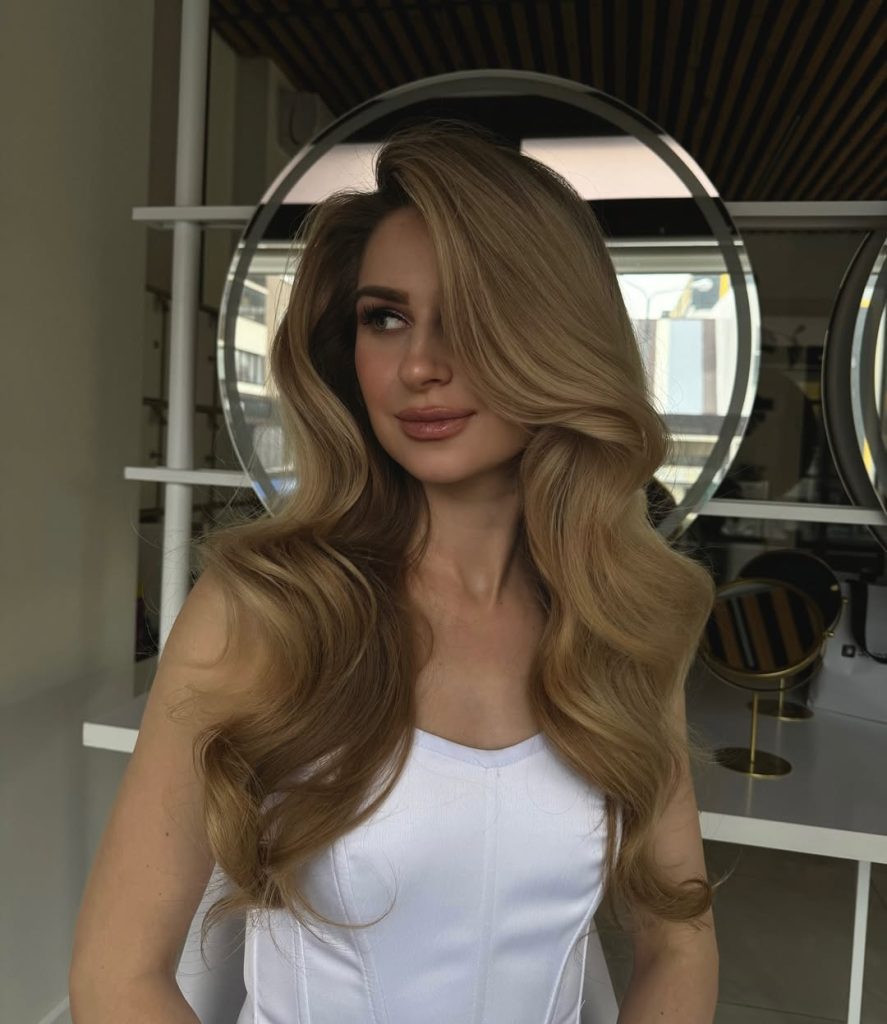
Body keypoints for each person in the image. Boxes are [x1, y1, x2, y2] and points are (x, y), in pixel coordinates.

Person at [69, 119, 720, 1023]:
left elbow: (678, 940)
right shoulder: (267, 610)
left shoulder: (621, 617)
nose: (418, 365)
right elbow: (117, 976)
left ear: (555, 338)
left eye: (471, 316)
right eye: (385, 318)